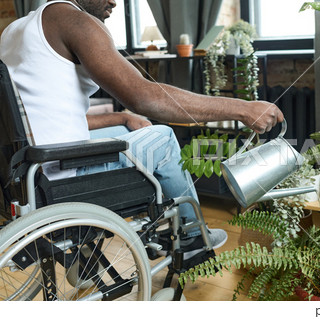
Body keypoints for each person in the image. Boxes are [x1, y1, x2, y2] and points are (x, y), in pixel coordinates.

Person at [0, 0, 284, 258]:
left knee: (130, 134)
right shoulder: (76, 22)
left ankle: (142, 234)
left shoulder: (15, 30)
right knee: (161, 138)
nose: (115, 2)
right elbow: (147, 98)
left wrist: (121, 118)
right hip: (60, 178)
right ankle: (193, 238)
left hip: (24, 173)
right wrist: (243, 109)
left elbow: (50, 121)